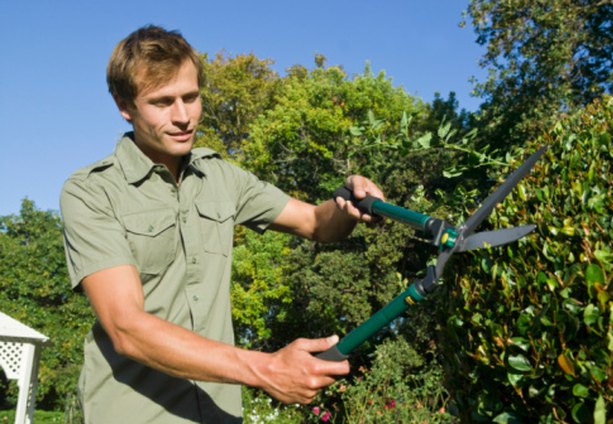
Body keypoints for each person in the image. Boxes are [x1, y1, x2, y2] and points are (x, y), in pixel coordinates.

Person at [60, 25, 384, 423]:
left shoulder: (222, 178)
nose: (183, 117)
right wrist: (265, 368)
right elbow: (126, 328)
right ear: (124, 106)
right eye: (162, 102)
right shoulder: (92, 192)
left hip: (218, 414)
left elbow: (317, 223)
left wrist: (347, 200)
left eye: (191, 97)